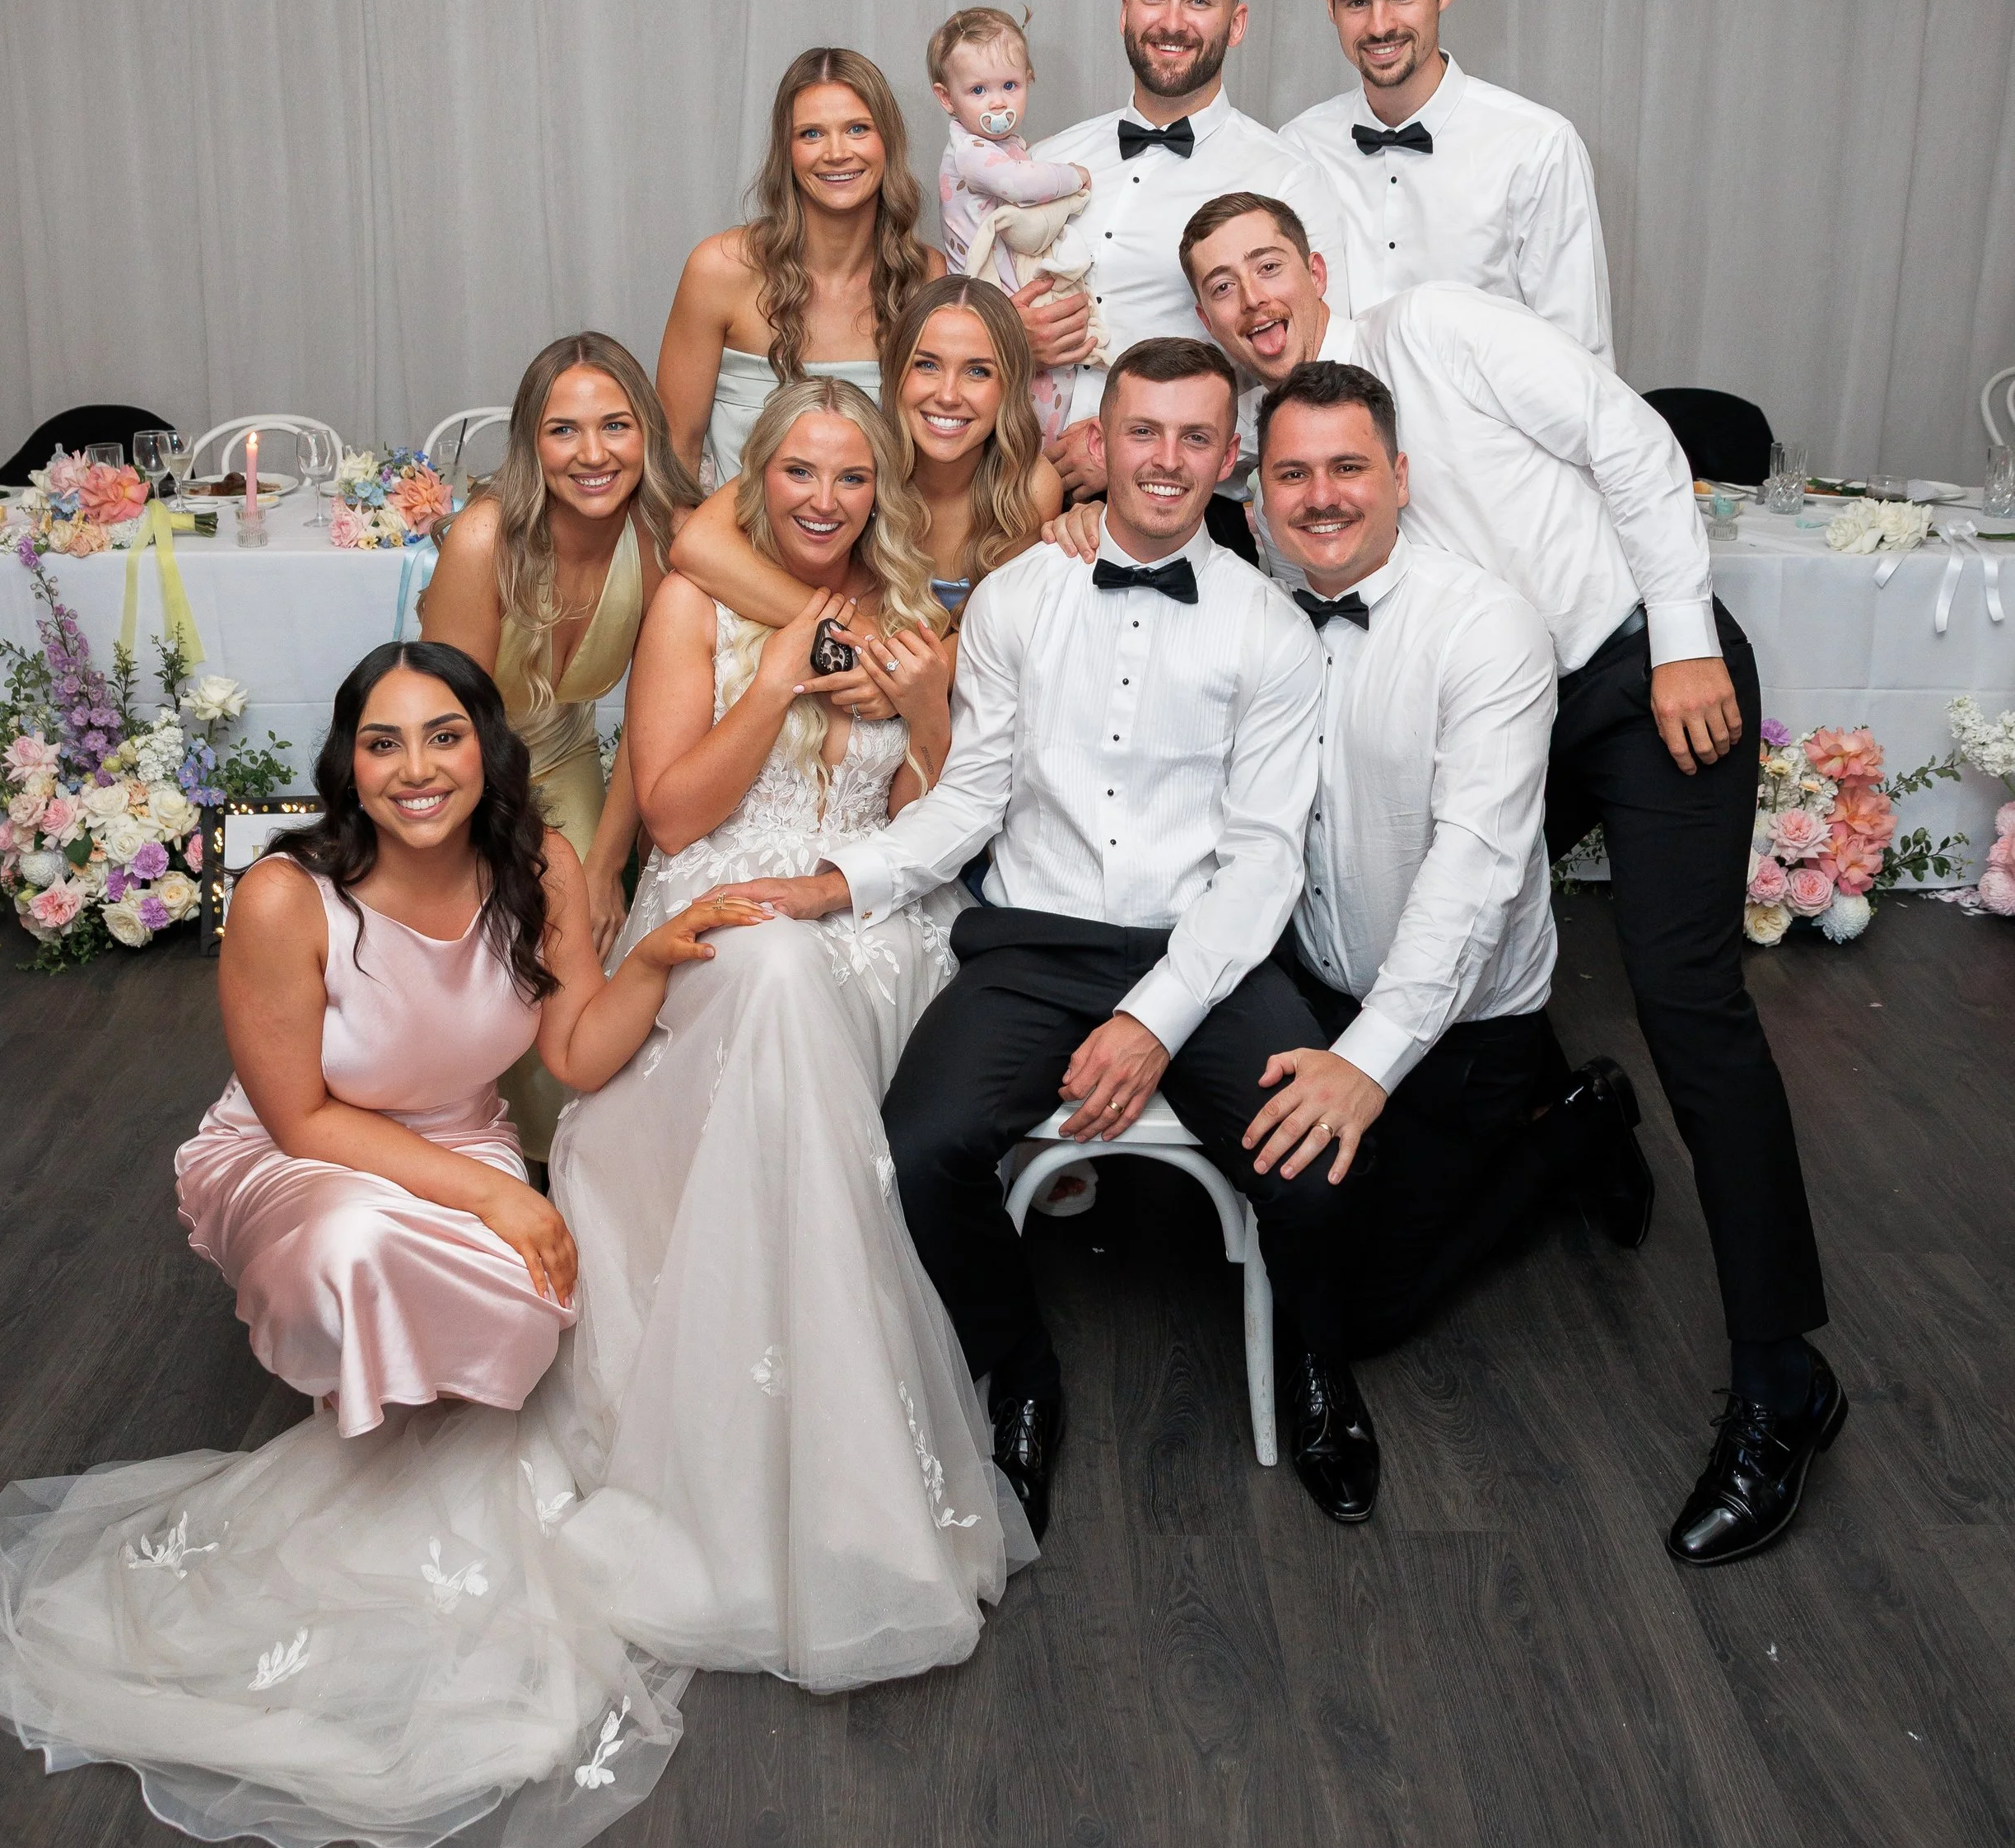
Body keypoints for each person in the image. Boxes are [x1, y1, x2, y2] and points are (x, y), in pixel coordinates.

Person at [0, 640, 772, 1848]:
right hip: (301, 1156)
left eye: (443, 734)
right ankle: (360, 1373)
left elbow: (580, 1049)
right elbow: (301, 1117)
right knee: (355, 1242)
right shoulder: (290, 894)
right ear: (348, 764)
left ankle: (420, 1403)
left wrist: (650, 960)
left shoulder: (536, 862)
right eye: (383, 743)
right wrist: (504, 1205)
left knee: (529, 1301)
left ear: (486, 745)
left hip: (462, 1136)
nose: (416, 768)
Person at [1173, 192, 1845, 1563]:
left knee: (1684, 995)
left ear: (1313, 271)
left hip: (1623, 677)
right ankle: (1562, 1131)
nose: (1247, 297)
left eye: (1265, 267)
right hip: (1490, 709)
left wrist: (1682, 639)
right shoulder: (1272, 473)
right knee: (1445, 910)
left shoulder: (1435, 325)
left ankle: (1784, 1378)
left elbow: (1633, 442)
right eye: (1215, 286)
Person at [717, 338, 1342, 1542]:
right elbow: (974, 793)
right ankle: (1021, 1371)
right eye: (1142, 433)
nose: (1165, 461)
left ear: (1231, 460)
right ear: (1098, 443)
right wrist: (841, 878)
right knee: (923, 1141)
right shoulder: (1017, 595)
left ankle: (1321, 1376)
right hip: (1035, 946)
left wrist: (1153, 1020)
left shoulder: (1271, 629)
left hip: (1202, 953)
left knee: (1307, 1149)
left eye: (1194, 439)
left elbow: (1265, 859)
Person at [549, 371, 1014, 1679]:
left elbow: (938, 813)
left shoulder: (915, 614)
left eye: (852, 476)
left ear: (880, 491)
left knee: (798, 974)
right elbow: (677, 812)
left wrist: (923, 706)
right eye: (800, 472)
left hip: (870, 917)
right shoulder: (699, 601)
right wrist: (775, 683)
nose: (825, 498)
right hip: (724, 890)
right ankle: (809, 1465)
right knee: (764, 973)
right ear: (758, 478)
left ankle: (854, 1467)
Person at [1239, 358, 1647, 1519]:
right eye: (1293, 473)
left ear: (1403, 477)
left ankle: (1572, 1128)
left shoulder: (1488, 629)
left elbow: (1474, 872)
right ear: (1260, 491)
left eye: (1349, 468)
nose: (1322, 496)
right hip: (1311, 984)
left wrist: (1372, 1061)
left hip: (1460, 1023)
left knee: (1366, 1305)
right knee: (1277, 1217)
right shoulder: (1255, 606)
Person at [421, 333, 697, 1155]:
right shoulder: (484, 540)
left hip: (571, 757)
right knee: (515, 924)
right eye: (562, 430)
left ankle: (589, 1158)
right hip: (457, 780)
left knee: (602, 941)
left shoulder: (657, 543)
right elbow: (446, 732)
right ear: (529, 443)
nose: (592, 454)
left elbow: (651, 726)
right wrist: (526, 857)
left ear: (647, 432)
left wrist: (607, 865)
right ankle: (488, 1147)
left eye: (615, 426)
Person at [1010, 0, 1332, 512]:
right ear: (1125, 11)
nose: (1173, 22)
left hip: (1189, 504)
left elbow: (1311, 368)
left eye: (1200, 1)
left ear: (1236, 24)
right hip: (1016, 494)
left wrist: (1136, 451)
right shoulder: (1044, 162)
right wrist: (1007, 337)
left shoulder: (1286, 179)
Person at [1278, 0, 1613, 361]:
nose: (1380, 26)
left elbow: (1582, 362)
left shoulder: (1538, 147)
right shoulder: (1297, 149)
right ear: (1329, 5)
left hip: (1486, 436)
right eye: (1357, 2)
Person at [666, 278, 1059, 673]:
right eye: (926, 365)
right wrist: (852, 630)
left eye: (978, 371)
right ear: (896, 372)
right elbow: (694, 544)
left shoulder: (1026, 487)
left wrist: (897, 679)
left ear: (1008, 386)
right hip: (851, 688)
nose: (948, 395)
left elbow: (996, 635)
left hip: (963, 700)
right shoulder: (857, 447)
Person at [655, 45, 945, 488]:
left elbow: (936, 462)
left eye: (857, 129)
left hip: (880, 552)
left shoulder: (924, 277)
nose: (836, 152)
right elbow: (674, 454)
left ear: (888, 141)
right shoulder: (718, 270)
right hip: (731, 545)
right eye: (811, 134)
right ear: (786, 152)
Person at [930, 6, 1102, 441]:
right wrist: (1075, 176)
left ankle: (1044, 457)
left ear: (1029, 79)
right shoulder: (970, 152)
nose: (998, 102)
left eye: (1010, 85)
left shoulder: (1005, 144)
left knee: (1048, 380)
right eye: (978, 90)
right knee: (1024, 399)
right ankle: (1036, 460)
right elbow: (1021, 186)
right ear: (947, 98)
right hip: (991, 294)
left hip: (1011, 285)